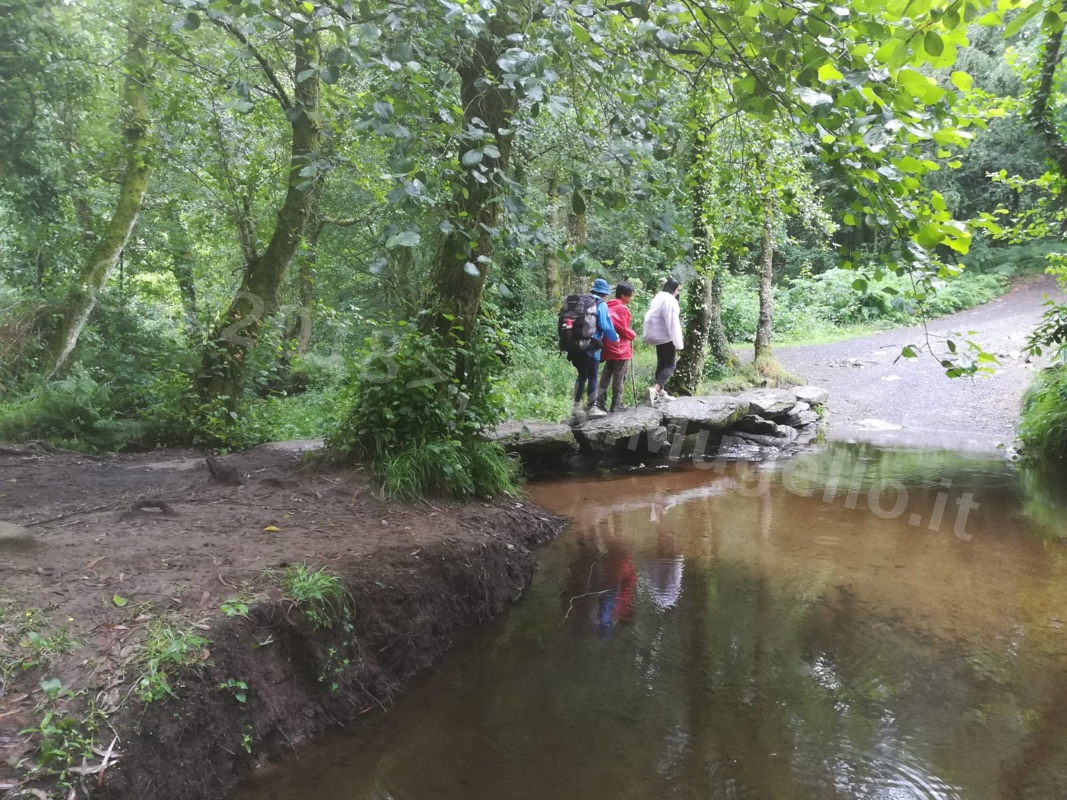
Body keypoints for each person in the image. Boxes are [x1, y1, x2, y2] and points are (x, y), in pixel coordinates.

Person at [567, 278, 618, 420]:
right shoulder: (600, 304)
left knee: (582, 375)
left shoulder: (581, 301)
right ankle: (592, 407)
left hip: (575, 345)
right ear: (604, 293)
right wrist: (615, 338)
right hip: (591, 345)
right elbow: (606, 325)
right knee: (593, 376)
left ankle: (576, 405)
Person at [642, 277, 684, 404]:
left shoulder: (659, 298)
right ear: (673, 289)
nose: (678, 293)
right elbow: (673, 323)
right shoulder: (670, 301)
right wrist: (678, 343)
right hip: (666, 336)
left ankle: (660, 393)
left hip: (656, 335)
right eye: (678, 290)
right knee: (671, 366)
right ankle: (655, 390)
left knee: (661, 363)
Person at [597, 282, 637, 412]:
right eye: (630, 296)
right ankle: (616, 404)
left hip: (607, 346)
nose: (631, 299)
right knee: (619, 377)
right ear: (623, 295)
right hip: (620, 348)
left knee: (606, 374)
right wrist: (632, 334)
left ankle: (599, 402)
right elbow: (623, 329)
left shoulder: (606, 306)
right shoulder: (622, 308)